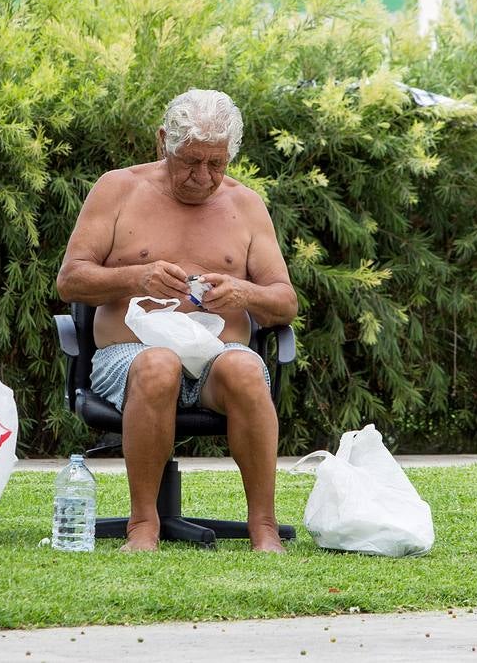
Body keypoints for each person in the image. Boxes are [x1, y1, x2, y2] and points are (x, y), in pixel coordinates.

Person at [55, 89, 297, 552]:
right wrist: (136, 277)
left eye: (216, 163)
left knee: (245, 367)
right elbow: (71, 280)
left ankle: (263, 527)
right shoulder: (118, 189)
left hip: (219, 359)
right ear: (163, 141)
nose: (202, 176)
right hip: (128, 359)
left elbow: (285, 302)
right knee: (158, 363)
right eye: (190, 161)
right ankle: (143, 525)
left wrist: (243, 291)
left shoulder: (246, 205)